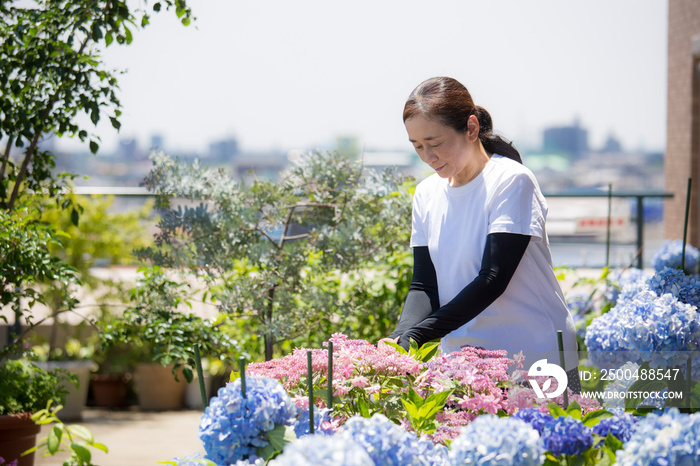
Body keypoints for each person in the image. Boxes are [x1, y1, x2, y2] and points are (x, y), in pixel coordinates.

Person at [388, 76, 580, 392]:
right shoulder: (426, 194)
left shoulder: (511, 181)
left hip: (535, 359)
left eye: (435, 143)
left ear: (472, 128)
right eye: (418, 146)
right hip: (462, 366)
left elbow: (492, 279)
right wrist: (402, 334)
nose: (428, 157)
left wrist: (421, 334)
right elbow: (425, 283)